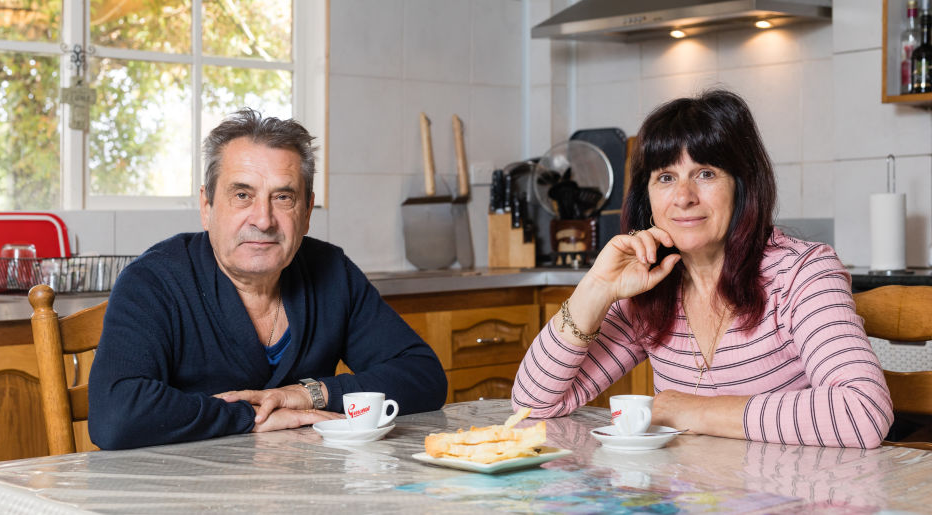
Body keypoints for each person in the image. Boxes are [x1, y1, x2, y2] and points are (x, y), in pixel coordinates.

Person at [512, 89, 893, 449]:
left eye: (706, 173)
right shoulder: (650, 287)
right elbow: (532, 406)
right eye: (665, 177)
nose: (683, 197)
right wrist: (595, 287)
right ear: (647, 197)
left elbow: (862, 412)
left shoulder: (800, 274)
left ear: (743, 185)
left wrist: (690, 410)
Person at [89, 108, 448, 449]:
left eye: (283, 197)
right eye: (242, 195)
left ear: (307, 212)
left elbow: (424, 377)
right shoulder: (154, 281)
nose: (263, 219)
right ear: (207, 207)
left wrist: (310, 393)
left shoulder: (330, 271)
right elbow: (117, 416)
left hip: (306, 489)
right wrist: (249, 417)